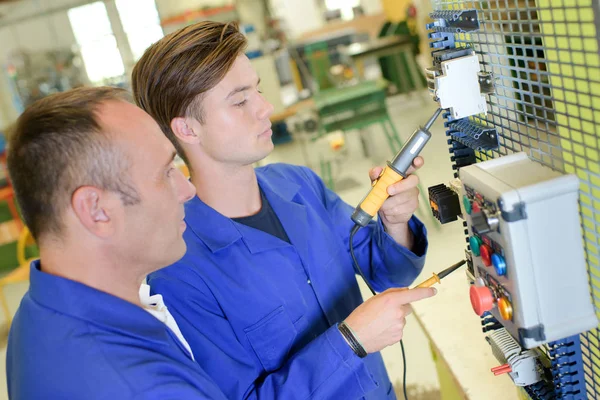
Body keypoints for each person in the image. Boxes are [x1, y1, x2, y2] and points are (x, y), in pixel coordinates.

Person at [132, 21, 436, 400]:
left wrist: (395, 220)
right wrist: (350, 341)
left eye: (257, 90)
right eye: (240, 101)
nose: (266, 107)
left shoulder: (299, 185)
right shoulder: (178, 271)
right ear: (188, 130)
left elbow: (389, 273)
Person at [6, 87, 228, 399]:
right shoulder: (143, 387)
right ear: (96, 210)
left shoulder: (40, 309)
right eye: (165, 173)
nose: (186, 189)